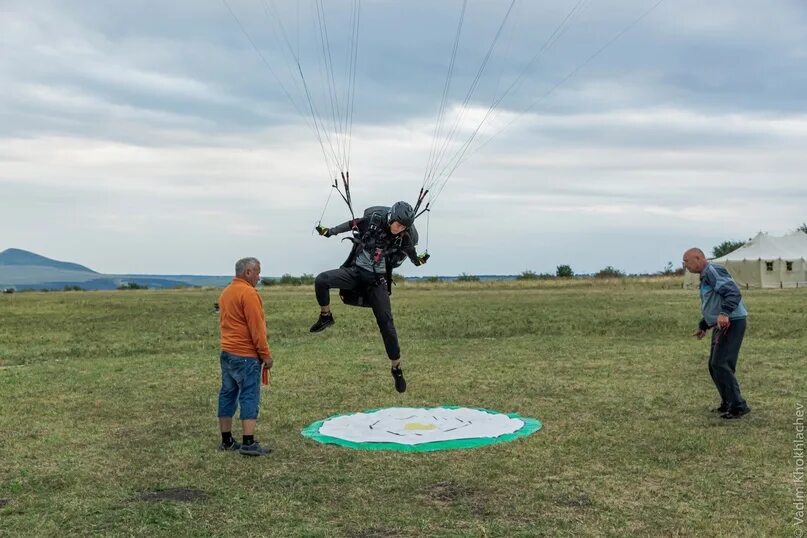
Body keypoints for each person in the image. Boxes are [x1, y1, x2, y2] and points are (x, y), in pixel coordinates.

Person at [310, 201, 430, 393]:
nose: (400, 230)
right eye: (398, 225)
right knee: (321, 280)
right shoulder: (372, 221)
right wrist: (330, 231)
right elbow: (352, 224)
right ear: (391, 218)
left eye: (404, 227)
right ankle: (326, 316)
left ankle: (396, 368)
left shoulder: (403, 238)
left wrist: (421, 260)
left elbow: (414, 259)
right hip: (355, 273)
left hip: (377, 282)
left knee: (387, 324)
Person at [683, 248, 751, 419]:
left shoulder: (712, 271)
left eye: (687, 261)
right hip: (722, 323)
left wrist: (725, 313)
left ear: (698, 258)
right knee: (715, 365)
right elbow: (714, 302)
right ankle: (728, 402)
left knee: (721, 364)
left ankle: (737, 406)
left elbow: (733, 293)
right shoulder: (705, 275)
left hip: (732, 321)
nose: (685, 265)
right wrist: (704, 325)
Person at [217, 257, 274, 455]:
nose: (259, 277)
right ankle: (248, 442)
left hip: (227, 353)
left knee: (227, 393)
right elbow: (256, 328)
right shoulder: (249, 293)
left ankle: (227, 440)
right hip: (245, 355)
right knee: (249, 395)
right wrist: (265, 355)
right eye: (257, 272)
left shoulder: (226, 292)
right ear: (248, 272)